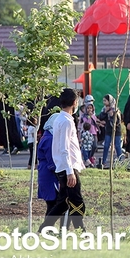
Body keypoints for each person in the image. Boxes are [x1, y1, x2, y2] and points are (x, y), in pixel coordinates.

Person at [39, 88, 86, 232]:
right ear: (74, 102)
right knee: (77, 203)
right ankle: (81, 233)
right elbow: (64, 148)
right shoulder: (66, 121)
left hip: (64, 167)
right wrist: (70, 171)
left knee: (63, 203)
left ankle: (43, 230)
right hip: (68, 168)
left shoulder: (60, 119)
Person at [36, 115, 62, 232]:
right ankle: (45, 229)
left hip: (46, 174)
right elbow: (52, 160)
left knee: (53, 204)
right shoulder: (49, 139)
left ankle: (47, 229)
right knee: (54, 204)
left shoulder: (48, 136)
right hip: (49, 176)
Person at [98, 94, 124, 166]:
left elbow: (118, 121)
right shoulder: (104, 109)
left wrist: (112, 115)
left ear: (109, 101)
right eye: (103, 101)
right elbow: (100, 117)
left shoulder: (115, 109)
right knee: (106, 145)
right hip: (108, 130)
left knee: (117, 145)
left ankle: (121, 161)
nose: (104, 102)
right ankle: (103, 162)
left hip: (116, 130)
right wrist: (104, 112)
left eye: (105, 101)